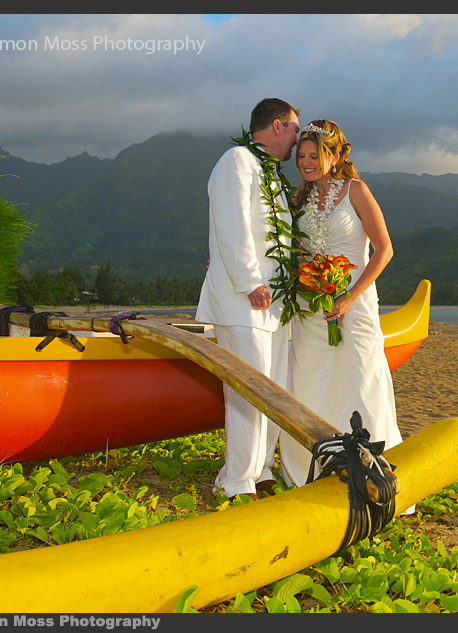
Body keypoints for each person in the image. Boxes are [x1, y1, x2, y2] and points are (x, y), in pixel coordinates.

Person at [278, 119, 409, 505]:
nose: (305, 162)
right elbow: (287, 251)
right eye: (300, 156)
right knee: (309, 382)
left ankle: (374, 473)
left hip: (355, 302)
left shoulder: (357, 191)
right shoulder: (297, 200)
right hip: (310, 308)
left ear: (334, 156)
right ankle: (310, 471)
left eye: (314, 155)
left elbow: (384, 249)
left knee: (361, 379)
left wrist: (349, 296)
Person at [196, 98, 300, 501]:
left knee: (272, 388)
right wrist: (249, 280)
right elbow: (232, 221)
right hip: (244, 300)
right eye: (294, 127)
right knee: (245, 391)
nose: (296, 137)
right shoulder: (237, 160)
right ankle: (236, 480)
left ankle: (261, 469)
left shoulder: (271, 174)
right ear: (276, 125)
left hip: (274, 306)